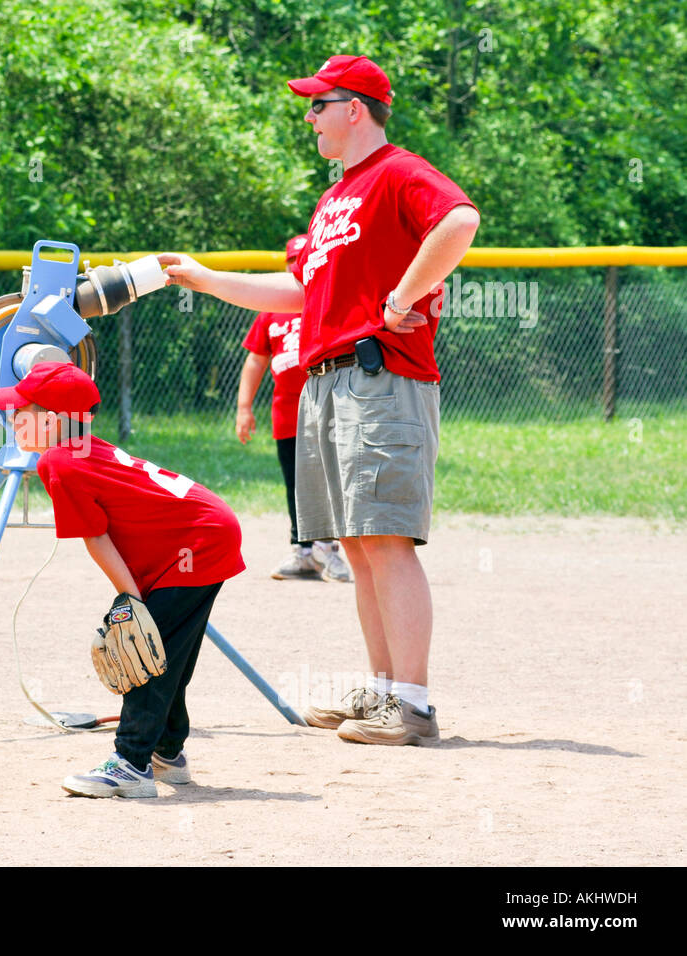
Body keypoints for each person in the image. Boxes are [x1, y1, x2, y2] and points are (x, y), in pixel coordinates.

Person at [161, 55, 480, 746]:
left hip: (379, 376)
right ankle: (385, 689)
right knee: (358, 546)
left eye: (318, 104)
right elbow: (305, 295)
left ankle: (415, 706)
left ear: (355, 108)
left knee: (387, 538)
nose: (308, 117)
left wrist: (401, 297)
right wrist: (207, 280)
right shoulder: (335, 197)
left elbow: (458, 220)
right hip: (325, 379)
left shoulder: (396, 171)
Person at [0, 362, 246, 797]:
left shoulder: (58, 462)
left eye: (19, 410)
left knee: (146, 658)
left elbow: (96, 539)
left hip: (197, 545)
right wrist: (135, 596)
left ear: (49, 420)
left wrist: (130, 600)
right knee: (163, 653)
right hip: (205, 534)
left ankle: (131, 764)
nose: (10, 418)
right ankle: (167, 750)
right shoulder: (83, 449)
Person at [237, 233, 352, 583]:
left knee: (330, 480)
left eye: (302, 259)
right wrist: (244, 407)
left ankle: (329, 549)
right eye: (291, 260)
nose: (295, 266)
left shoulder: (329, 299)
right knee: (295, 483)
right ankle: (302, 550)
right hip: (286, 412)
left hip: (328, 406)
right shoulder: (271, 310)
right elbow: (255, 362)